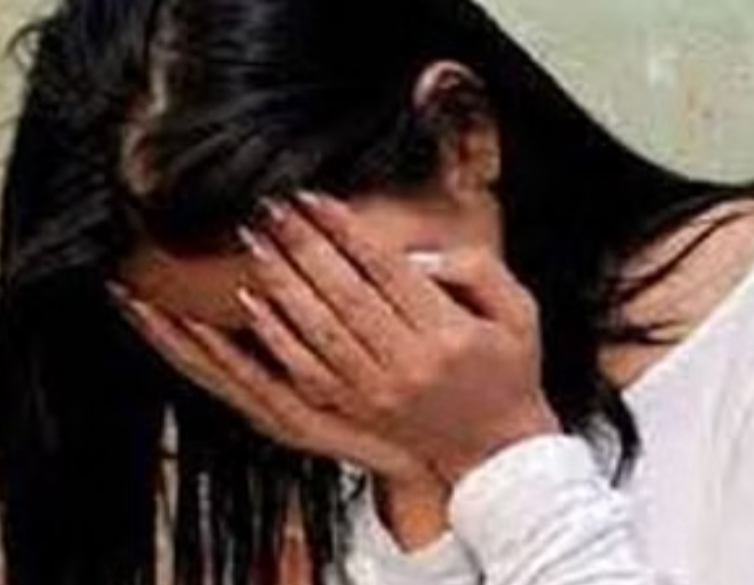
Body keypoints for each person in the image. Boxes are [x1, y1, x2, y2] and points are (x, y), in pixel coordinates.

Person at [0, 0, 752, 584]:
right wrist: (421, 491)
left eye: (335, 297)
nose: (326, 376)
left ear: (463, 134)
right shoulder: (370, 450)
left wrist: (508, 468)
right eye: (249, 346)